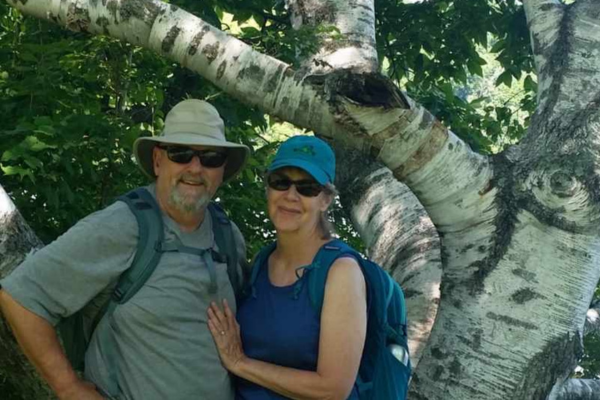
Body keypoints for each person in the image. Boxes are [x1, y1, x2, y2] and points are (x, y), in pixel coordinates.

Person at [0, 99, 250, 400]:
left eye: (210, 157)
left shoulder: (227, 237)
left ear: (222, 169)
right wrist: (68, 388)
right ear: (158, 161)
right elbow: (20, 296)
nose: (195, 168)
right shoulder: (124, 225)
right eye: (181, 153)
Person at [207, 136, 368, 399]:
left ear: (325, 199)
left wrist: (240, 363)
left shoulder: (340, 272)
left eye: (307, 188)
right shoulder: (262, 260)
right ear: (268, 188)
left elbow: (333, 389)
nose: (291, 196)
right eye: (280, 182)